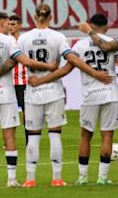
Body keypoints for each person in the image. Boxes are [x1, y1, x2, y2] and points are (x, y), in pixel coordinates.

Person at [0, 4, 111, 187]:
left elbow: (11, 63)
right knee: (54, 135)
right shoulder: (58, 37)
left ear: (35, 16)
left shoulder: (24, 38)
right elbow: (72, 60)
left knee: (33, 137)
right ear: (50, 17)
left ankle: (30, 179)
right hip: (54, 92)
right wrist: (95, 72)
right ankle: (57, 178)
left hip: (32, 92)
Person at [0, 11, 60, 189]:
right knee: (9, 136)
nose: (8, 26)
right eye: (6, 22)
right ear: (1, 23)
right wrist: (49, 66)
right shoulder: (9, 41)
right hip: (5, 94)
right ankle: (11, 179)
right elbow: (25, 62)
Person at [29, 14, 116, 185]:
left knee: (85, 136)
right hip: (110, 93)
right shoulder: (112, 40)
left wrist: (41, 80)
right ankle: (102, 178)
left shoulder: (80, 45)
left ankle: (82, 177)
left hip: (90, 95)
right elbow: (106, 48)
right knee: (107, 136)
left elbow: (65, 70)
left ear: (89, 24)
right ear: (106, 26)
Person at [9, 15, 28, 145]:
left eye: (13, 24)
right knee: (10, 112)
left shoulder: (25, 40)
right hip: (9, 83)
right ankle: (10, 140)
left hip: (24, 81)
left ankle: (29, 140)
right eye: (9, 24)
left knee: (27, 111)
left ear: (19, 25)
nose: (11, 26)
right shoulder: (6, 41)